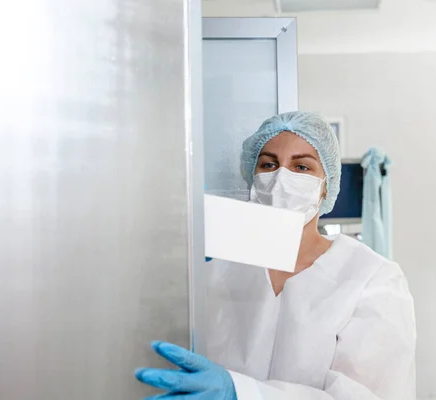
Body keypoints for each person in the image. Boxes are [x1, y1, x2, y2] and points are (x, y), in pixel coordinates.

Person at [135, 111, 416, 400]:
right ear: (252, 178)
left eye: (302, 167)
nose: (281, 178)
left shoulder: (371, 278)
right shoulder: (217, 271)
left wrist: (240, 393)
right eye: (268, 164)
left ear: (326, 185)